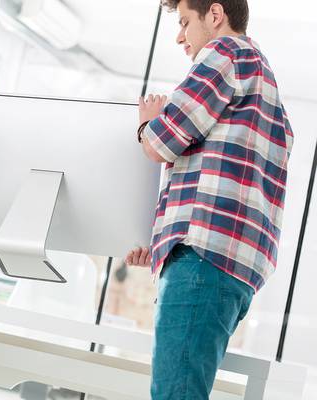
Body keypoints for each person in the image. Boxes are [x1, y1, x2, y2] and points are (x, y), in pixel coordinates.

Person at [125, 0, 294, 398]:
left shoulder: (224, 53)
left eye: (185, 22)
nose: (179, 35)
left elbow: (161, 142)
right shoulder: (264, 81)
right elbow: (218, 173)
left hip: (204, 260)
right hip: (235, 268)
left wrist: (148, 120)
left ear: (215, 15)